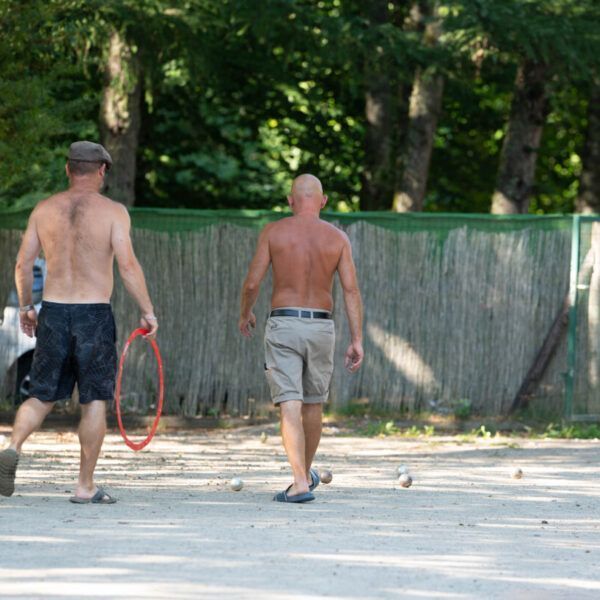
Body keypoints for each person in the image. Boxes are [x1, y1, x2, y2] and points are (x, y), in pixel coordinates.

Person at [0, 141, 158, 504]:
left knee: (41, 395)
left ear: (68, 169)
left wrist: (27, 307)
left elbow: (23, 265)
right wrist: (147, 311)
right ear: (102, 171)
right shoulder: (114, 212)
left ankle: (12, 447)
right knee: (95, 399)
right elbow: (128, 266)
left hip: (54, 311)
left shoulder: (43, 209)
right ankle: (85, 486)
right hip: (94, 315)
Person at [239, 173, 363, 503]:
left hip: (284, 323)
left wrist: (245, 312)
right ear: (322, 201)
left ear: (291, 201)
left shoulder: (274, 232)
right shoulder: (337, 238)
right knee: (313, 403)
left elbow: (252, 284)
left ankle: (299, 480)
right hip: (322, 325)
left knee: (289, 403)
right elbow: (351, 290)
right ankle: (303, 475)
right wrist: (357, 338)